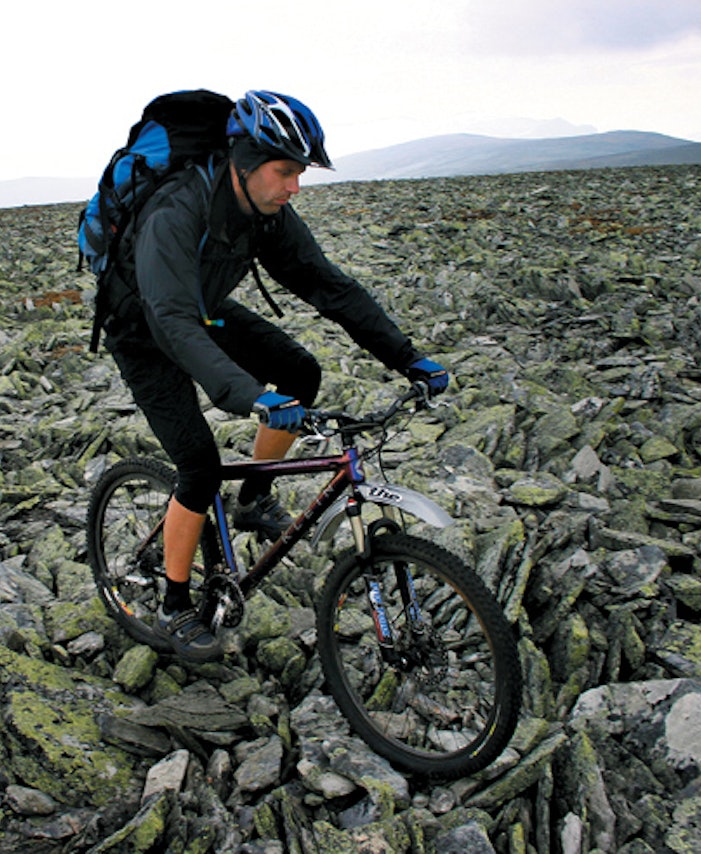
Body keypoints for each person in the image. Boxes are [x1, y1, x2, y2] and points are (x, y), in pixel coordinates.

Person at [100, 90, 449, 662]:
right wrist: (250, 395)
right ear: (243, 162)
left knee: (298, 371)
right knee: (199, 465)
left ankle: (254, 498)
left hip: (201, 308)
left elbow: (329, 287)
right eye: (285, 171)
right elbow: (171, 321)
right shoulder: (175, 211)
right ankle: (174, 602)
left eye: (299, 173)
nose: (294, 187)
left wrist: (408, 357)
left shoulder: (269, 216)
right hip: (143, 329)